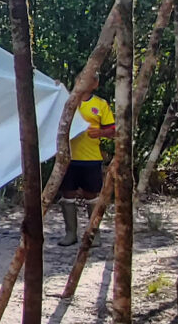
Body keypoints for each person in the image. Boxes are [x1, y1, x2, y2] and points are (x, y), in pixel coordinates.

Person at [59, 89, 115, 246]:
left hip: (91, 158)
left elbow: (113, 130)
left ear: (96, 84)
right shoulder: (67, 101)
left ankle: (93, 234)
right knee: (67, 195)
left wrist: (101, 132)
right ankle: (70, 233)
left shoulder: (100, 104)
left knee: (92, 196)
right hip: (68, 158)